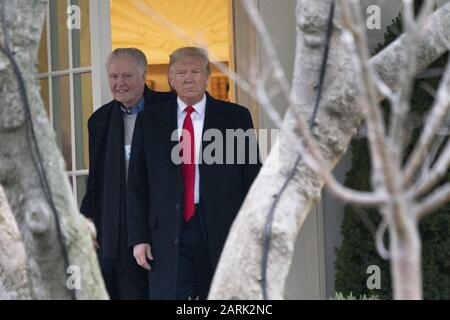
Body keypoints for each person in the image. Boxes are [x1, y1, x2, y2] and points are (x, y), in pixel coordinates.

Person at [127, 47, 261, 299]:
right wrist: (138, 238)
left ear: (207, 76)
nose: (189, 78)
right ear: (171, 80)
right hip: (166, 233)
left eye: (196, 71)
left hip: (222, 229)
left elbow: (252, 179)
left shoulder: (235, 117)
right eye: (181, 72)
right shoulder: (149, 121)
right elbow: (137, 184)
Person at [80, 48, 173, 299]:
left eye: (127, 76)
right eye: (113, 77)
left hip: (160, 224)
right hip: (115, 227)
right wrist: (87, 218)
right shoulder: (98, 121)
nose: (119, 83)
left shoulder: (169, 108)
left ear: (143, 76)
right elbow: (96, 178)